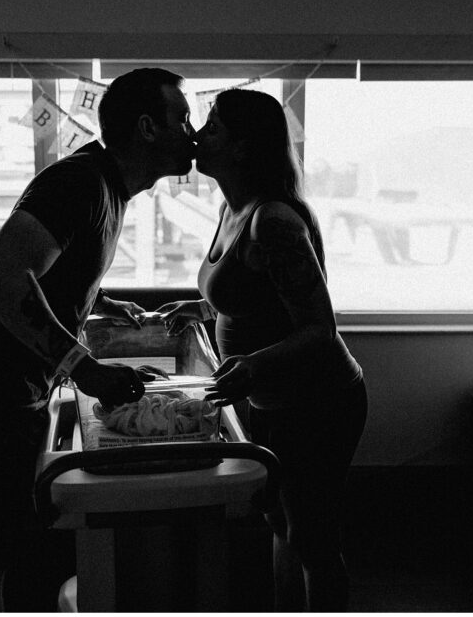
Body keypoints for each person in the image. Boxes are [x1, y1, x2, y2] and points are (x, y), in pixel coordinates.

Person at [0, 68, 196, 611]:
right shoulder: (78, 182)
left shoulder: (110, 188)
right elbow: (3, 278)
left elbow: (53, 268)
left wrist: (96, 298)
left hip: (11, 394)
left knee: (2, 549)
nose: (191, 131)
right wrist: (86, 368)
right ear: (148, 128)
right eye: (183, 118)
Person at [157, 88, 367, 611]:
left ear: (244, 148)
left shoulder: (273, 219)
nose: (197, 135)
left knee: (313, 540)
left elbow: (320, 329)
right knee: (279, 522)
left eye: (212, 127)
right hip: (271, 400)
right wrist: (199, 308)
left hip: (320, 401)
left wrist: (253, 364)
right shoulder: (234, 208)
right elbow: (254, 296)